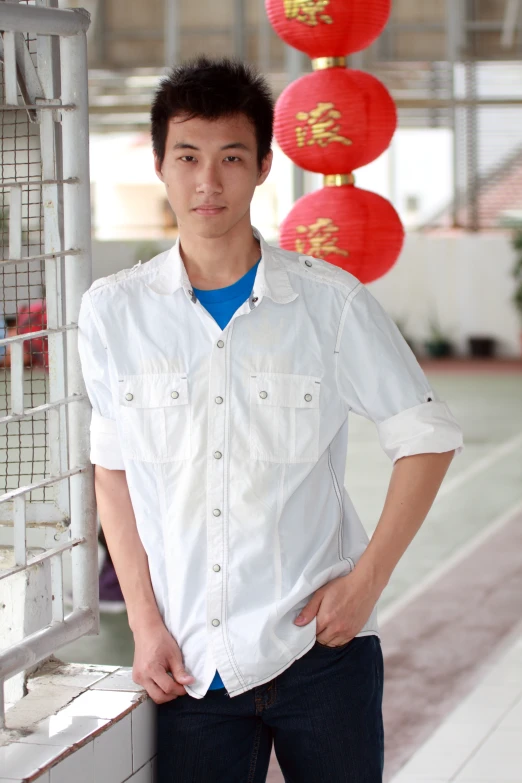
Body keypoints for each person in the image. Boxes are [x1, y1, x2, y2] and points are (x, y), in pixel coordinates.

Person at [77, 56, 464, 782]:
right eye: (188, 157)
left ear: (262, 169)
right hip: (193, 665)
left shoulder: (330, 304)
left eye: (231, 158)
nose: (207, 181)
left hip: (322, 656)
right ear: (160, 163)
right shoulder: (113, 312)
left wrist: (367, 580)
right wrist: (145, 622)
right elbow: (113, 471)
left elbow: (428, 435)